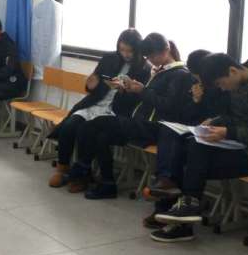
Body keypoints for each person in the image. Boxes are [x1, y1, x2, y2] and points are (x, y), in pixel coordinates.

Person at [152, 53, 248, 242]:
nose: (222, 88)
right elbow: (236, 118)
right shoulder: (240, 83)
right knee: (193, 146)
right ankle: (185, 209)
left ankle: (183, 219)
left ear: (232, 71)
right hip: (243, 145)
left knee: (193, 165)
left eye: (221, 83)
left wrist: (228, 132)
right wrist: (216, 121)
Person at [67, 33, 194, 199]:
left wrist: (142, 90)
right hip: (139, 122)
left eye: (153, 56)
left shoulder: (180, 74)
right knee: (100, 136)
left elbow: (168, 106)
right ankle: (107, 184)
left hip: (153, 127)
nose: (151, 60)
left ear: (166, 51)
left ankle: (79, 172)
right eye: (148, 57)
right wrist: (129, 89)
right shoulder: (159, 70)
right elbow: (147, 99)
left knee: (92, 124)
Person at [48, 29, 150, 187]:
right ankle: (62, 168)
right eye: (122, 49)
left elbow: (139, 101)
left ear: (137, 50)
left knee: (85, 130)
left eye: (129, 51)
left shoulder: (144, 68)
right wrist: (91, 85)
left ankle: (83, 175)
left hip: (116, 111)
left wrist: (124, 91)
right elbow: (94, 82)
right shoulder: (109, 58)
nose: (125, 54)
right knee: (69, 125)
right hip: (95, 103)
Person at [143, 49, 231, 228]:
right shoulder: (197, 84)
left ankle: (166, 206)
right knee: (168, 131)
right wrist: (196, 101)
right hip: (196, 130)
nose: (198, 81)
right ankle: (166, 185)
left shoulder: (224, 85)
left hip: (215, 136)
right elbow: (185, 115)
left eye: (200, 78)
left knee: (179, 153)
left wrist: (211, 116)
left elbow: (227, 115)